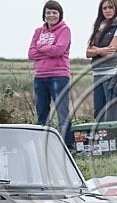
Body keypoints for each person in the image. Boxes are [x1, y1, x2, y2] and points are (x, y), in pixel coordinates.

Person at [85, 0, 117, 145]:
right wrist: (100, 50)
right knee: (98, 110)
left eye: (110, 7)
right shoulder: (98, 27)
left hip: (112, 74)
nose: (107, 10)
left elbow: (111, 52)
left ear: (116, 9)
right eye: (104, 8)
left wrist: (96, 50)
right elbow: (88, 52)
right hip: (97, 74)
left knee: (112, 111)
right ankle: (102, 142)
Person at [28, 1, 74, 149]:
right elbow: (30, 53)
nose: (51, 15)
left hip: (59, 76)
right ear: (44, 15)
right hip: (40, 76)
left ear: (60, 14)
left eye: (54, 12)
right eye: (48, 12)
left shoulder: (64, 30)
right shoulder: (37, 32)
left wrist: (40, 48)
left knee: (62, 112)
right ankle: (44, 145)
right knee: (42, 112)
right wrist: (48, 50)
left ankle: (67, 146)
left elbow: (58, 50)